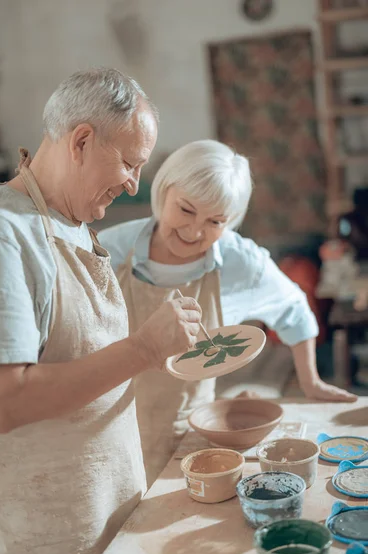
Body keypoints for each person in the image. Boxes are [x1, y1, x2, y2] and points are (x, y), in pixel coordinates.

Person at [0, 69, 202, 554]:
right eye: (129, 163)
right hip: (43, 544)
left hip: (104, 517)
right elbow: (2, 403)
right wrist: (143, 348)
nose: (134, 185)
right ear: (80, 141)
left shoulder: (70, 222)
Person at [98, 139, 357, 486]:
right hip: (110, 427)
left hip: (194, 428)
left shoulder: (238, 261)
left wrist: (310, 382)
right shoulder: (107, 250)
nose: (195, 231)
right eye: (186, 210)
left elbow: (293, 306)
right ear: (164, 191)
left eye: (215, 221)